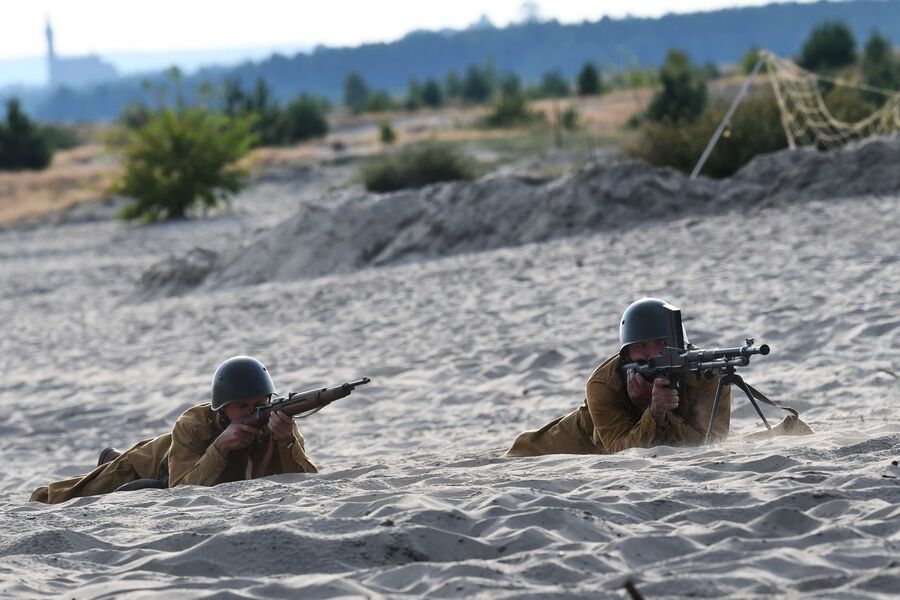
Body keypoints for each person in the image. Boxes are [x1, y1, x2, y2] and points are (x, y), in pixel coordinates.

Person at [30, 356, 317, 504]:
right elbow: (181, 489)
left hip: (182, 469)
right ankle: (114, 459)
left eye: (260, 404)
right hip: (156, 463)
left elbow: (306, 480)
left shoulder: (278, 423)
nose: (254, 412)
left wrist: (287, 442)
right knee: (71, 494)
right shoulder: (193, 424)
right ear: (222, 407)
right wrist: (220, 448)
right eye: (241, 406)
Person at [506, 297, 732, 457]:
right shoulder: (603, 384)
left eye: (663, 343)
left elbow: (707, 443)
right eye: (642, 345)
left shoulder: (707, 372)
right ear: (626, 354)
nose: (653, 354)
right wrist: (653, 411)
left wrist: (655, 410)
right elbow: (621, 453)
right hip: (543, 450)